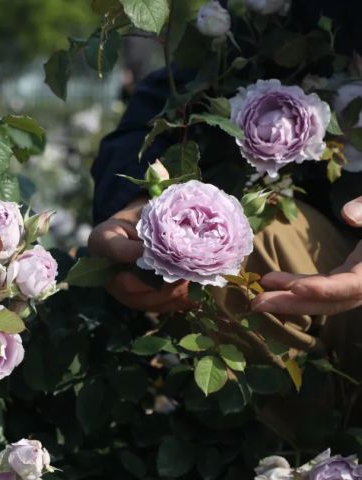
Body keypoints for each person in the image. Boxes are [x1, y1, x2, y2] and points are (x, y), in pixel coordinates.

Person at [88, 0, 362, 378]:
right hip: (319, 246)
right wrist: (143, 201)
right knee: (237, 239)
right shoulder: (291, 26)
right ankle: (291, 426)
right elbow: (179, 92)